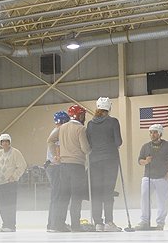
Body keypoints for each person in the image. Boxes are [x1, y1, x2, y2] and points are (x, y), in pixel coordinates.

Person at [48, 104, 90, 231]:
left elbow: (50, 140)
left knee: (64, 196)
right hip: (77, 166)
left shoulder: (62, 128)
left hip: (63, 166)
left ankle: (59, 224)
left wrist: (56, 155)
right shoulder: (81, 129)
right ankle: (76, 225)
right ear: (79, 115)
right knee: (76, 197)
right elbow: (85, 148)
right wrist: (90, 149)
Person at [86, 97, 123, 231]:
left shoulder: (90, 124)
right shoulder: (113, 122)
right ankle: (109, 222)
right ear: (109, 108)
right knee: (108, 192)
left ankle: (98, 223)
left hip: (94, 161)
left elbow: (89, 143)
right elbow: (118, 142)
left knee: (96, 192)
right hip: (110, 160)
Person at [137, 124, 168, 231]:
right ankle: (144, 221)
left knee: (162, 201)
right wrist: (146, 161)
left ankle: (160, 223)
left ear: (160, 133)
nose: (152, 135)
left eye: (155, 132)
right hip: (148, 177)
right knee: (144, 199)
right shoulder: (145, 146)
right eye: (151, 132)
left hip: (163, 178)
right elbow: (139, 161)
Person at [0, 133, 27, 232]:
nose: (5, 143)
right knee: (2, 205)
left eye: (7, 141)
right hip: (0, 183)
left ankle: (11, 225)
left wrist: (14, 176)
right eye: (3, 141)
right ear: (0, 143)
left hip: (10, 183)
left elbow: (22, 166)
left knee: (10, 204)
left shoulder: (15, 152)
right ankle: (5, 224)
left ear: (9, 142)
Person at [45, 111, 69, 231]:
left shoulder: (56, 130)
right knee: (58, 195)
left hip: (51, 166)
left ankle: (52, 223)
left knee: (56, 196)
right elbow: (54, 145)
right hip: (55, 167)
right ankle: (56, 224)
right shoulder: (59, 132)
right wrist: (57, 158)